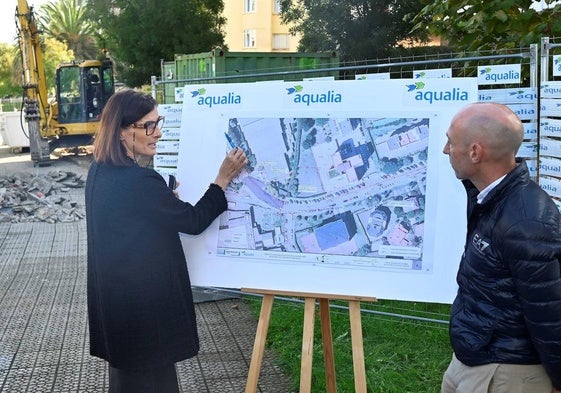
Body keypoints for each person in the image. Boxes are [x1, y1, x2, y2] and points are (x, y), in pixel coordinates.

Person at [85, 89, 247, 392]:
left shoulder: (99, 171)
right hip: (144, 314)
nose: (157, 132)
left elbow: (126, 221)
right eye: (148, 126)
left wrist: (161, 203)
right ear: (122, 131)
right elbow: (194, 221)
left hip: (118, 309)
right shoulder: (140, 182)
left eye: (158, 123)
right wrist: (222, 179)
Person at [441, 101, 561, 393]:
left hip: (506, 373)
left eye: (450, 141)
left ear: (475, 152)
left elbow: (549, 310)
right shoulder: (489, 196)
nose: (446, 150)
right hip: (474, 356)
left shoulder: (526, 222)